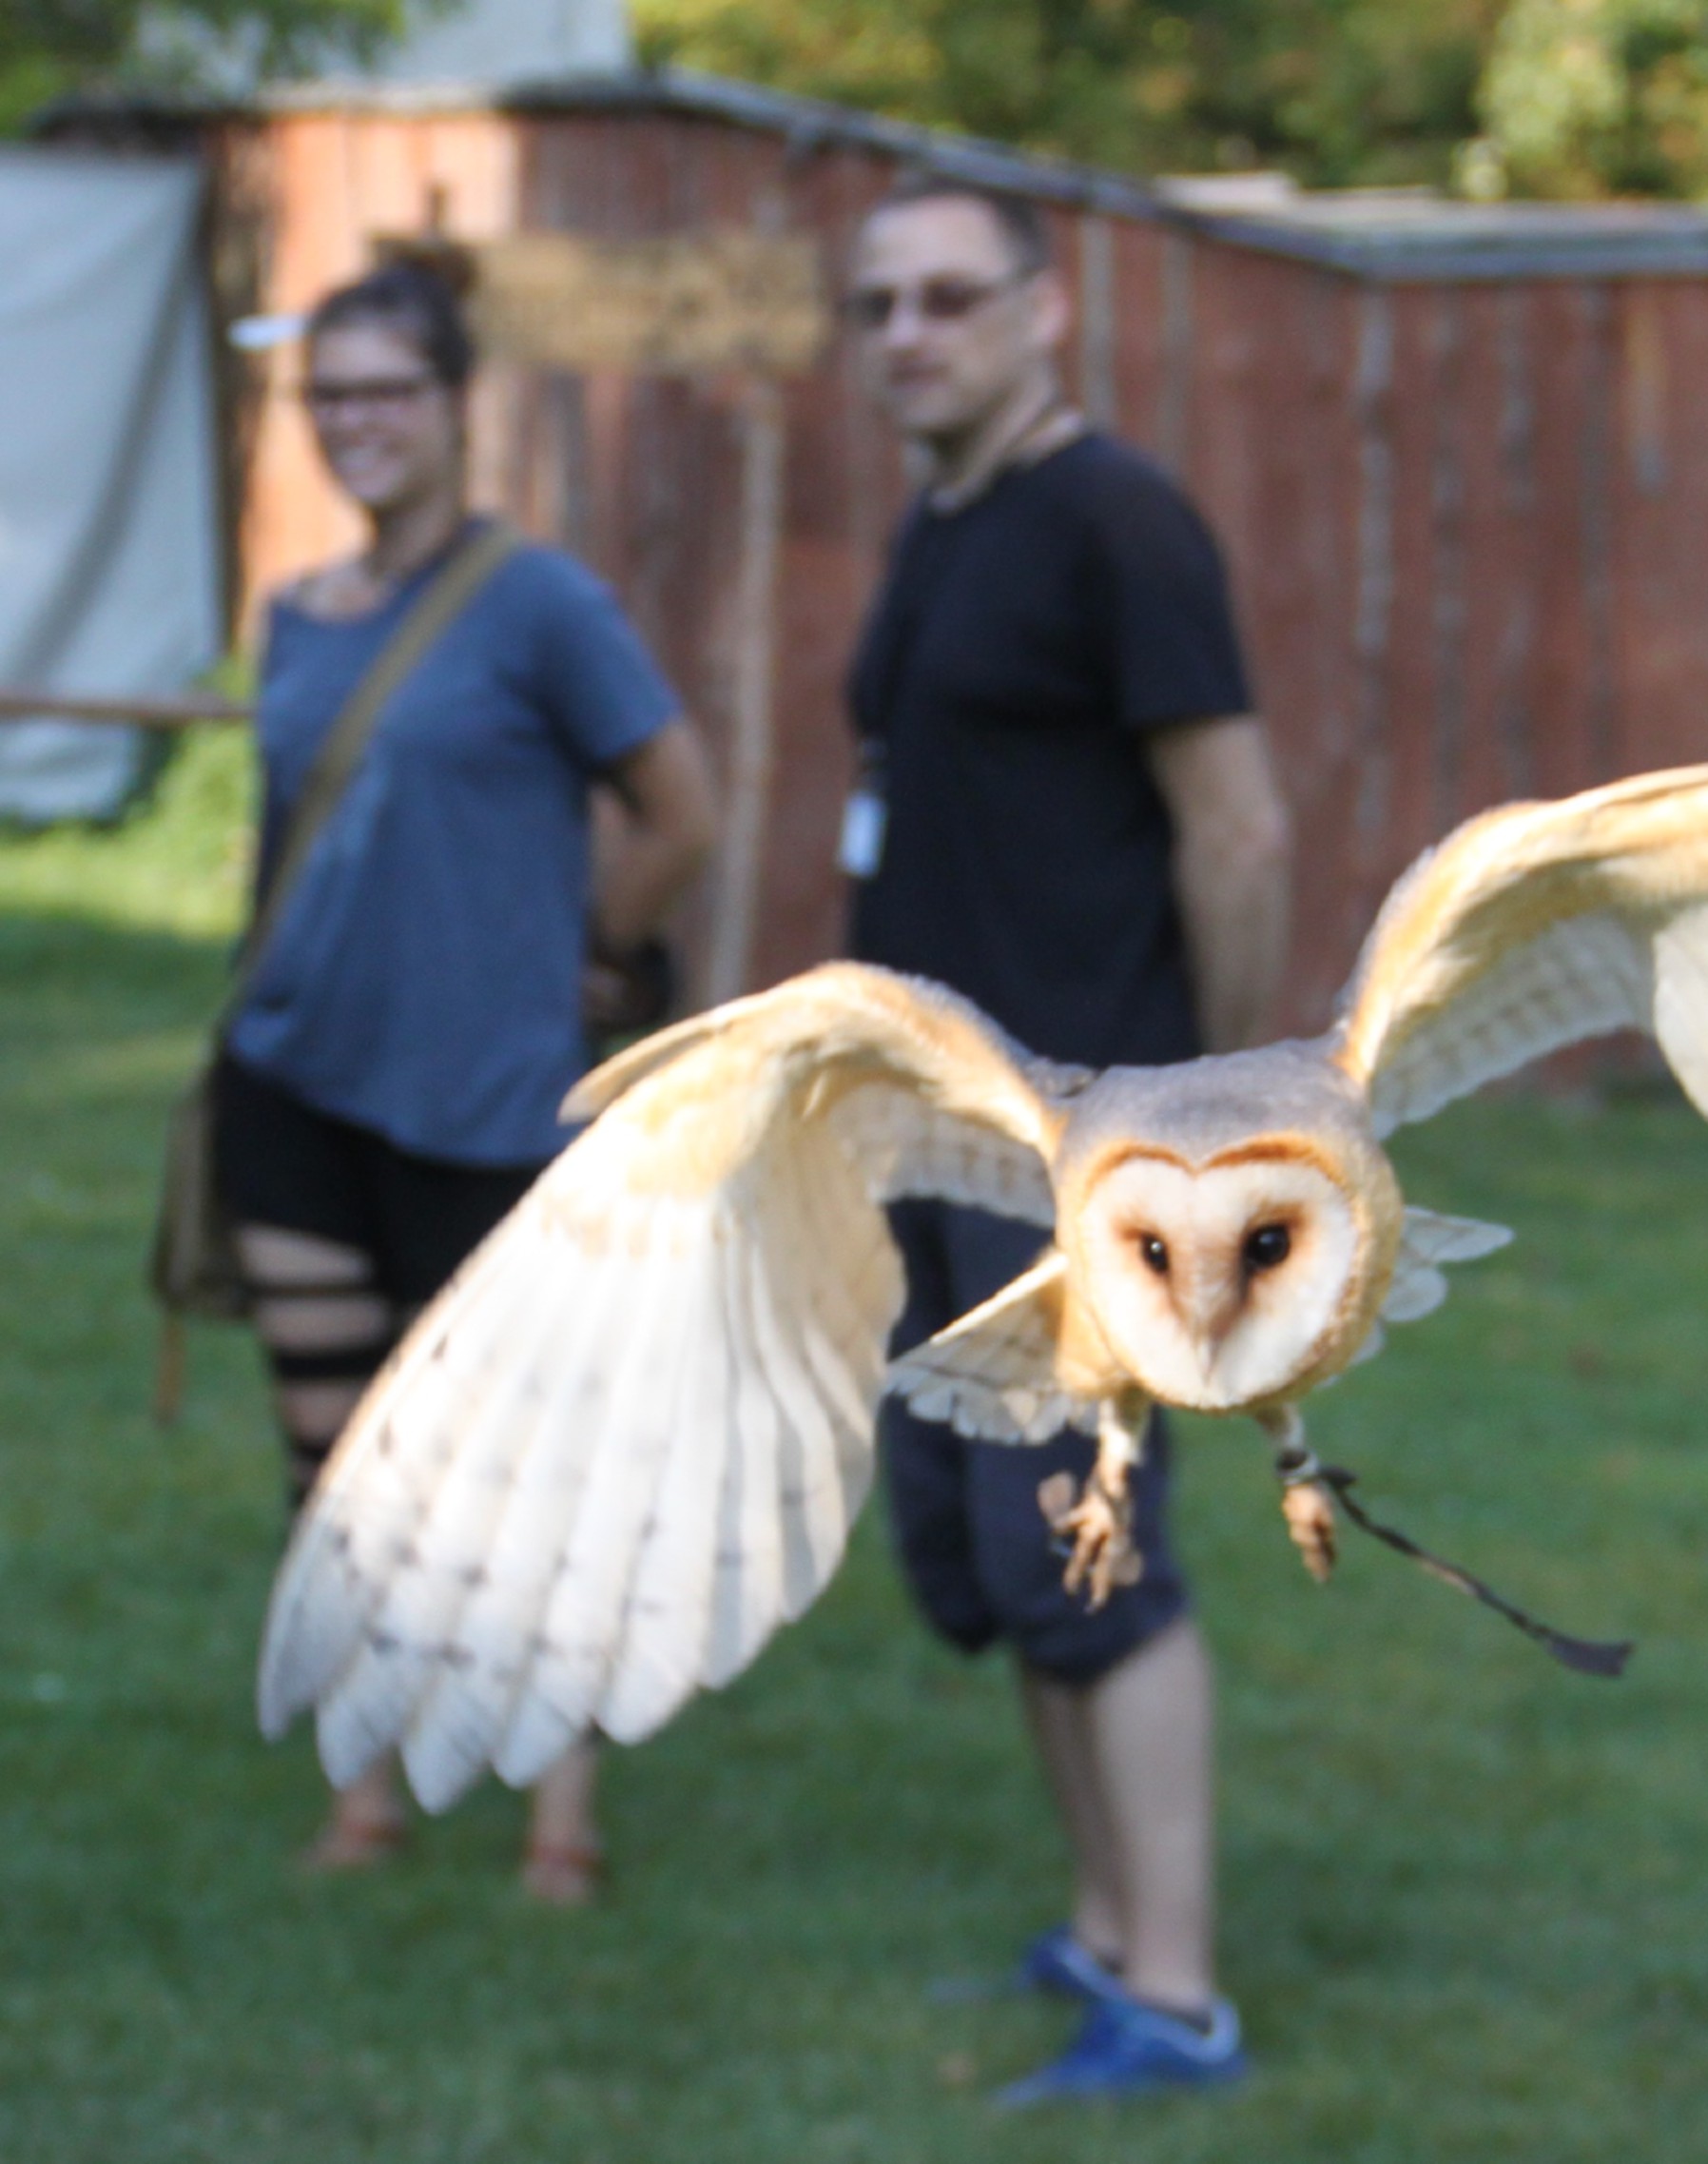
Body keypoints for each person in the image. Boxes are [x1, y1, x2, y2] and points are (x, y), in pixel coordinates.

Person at [841, 173, 1293, 2100]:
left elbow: (1238, 829)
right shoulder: (948, 522)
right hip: (939, 1140)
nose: (907, 333)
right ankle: (1108, 1929)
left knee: (1089, 1549)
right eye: (874, 304)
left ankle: (1177, 2000)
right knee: (988, 1553)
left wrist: (1218, 1112)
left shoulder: (1118, 521)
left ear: (1046, 308)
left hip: (1087, 1145)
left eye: (948, 296)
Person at [215, 261, 719, 1902]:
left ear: (453, 406)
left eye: (387, 392)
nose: (358, 422)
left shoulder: (538, 606)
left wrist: (593, 963)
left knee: (518, 1487)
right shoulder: (294, 614)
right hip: (291, 1092)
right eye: (332, 396)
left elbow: (680, 811)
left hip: (489, 1110)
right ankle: (364, 1803)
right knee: (334, 1468)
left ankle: (556, 1828)